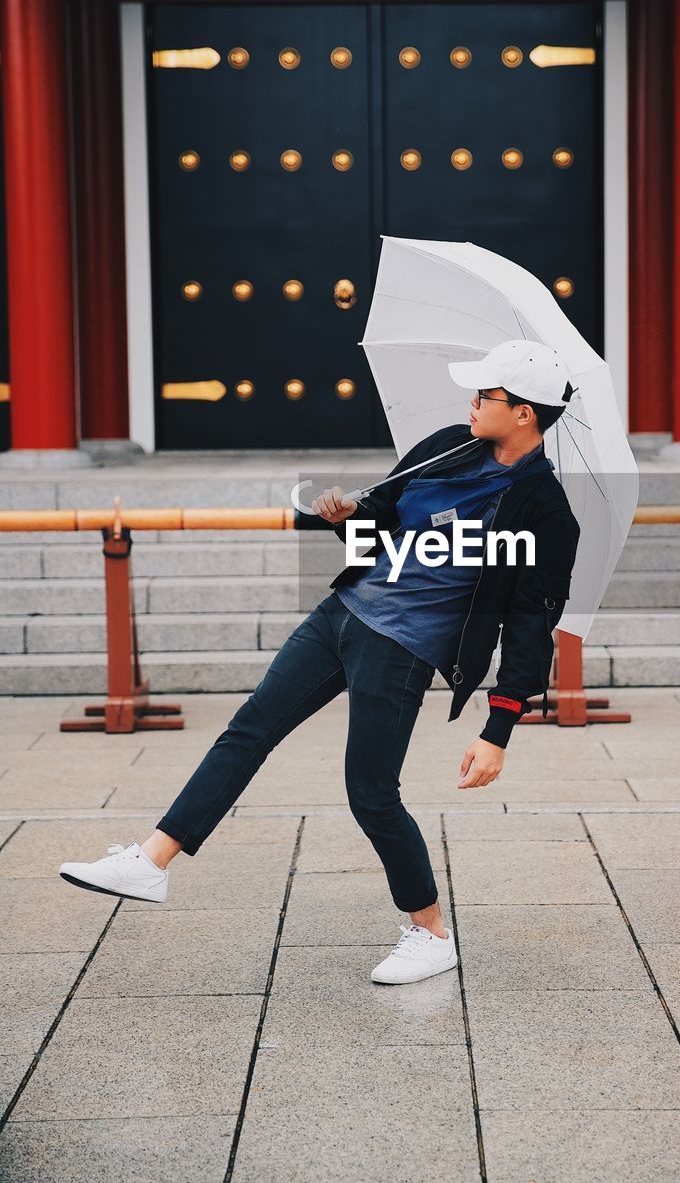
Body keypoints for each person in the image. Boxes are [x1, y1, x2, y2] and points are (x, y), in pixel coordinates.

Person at [59, 341, 580, 986]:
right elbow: (384, 517)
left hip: (404, 648)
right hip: (342, 616)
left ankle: (431, 933)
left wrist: (497, 730)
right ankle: (153, 860)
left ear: (525, 414)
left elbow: (530, 626)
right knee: (248, 730)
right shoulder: (449, 444)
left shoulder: (546, 511)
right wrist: (349, 514)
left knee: (370, 794)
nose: (471, 404)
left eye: (487, 397)